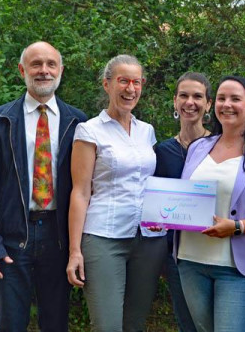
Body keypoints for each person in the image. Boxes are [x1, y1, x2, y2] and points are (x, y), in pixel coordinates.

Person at [0, 41, 87, 331]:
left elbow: (87, 187)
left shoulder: (79, 122)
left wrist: (79, 245)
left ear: (61, 70)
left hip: (59, 238)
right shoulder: (0, 120)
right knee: (11, 326)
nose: (44, 71)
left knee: (55, 326)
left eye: (51, 64)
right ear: (22, 70)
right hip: (13, 239)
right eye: (36, 64)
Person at [176, 75, 245, 332]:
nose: (227, 104)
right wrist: (162, 219)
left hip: (237, 267)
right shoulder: (198, 148)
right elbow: (184, 199)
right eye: (221, 98)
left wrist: (237, 227)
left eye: (235, 99)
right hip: (190, 260)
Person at [66, 54, 167, 332]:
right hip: (104, 238)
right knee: (107, 327)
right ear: (107, 84)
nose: (130, 89)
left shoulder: (147, 131)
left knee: (135, 326)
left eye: (136, 82)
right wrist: (75, 251)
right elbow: (80, 192)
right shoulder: (89, 131)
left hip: (147, 241)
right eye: (123, 81)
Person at [154, 72, 213, 332]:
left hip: (215, 248)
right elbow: (156, 204)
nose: (190, 102)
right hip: (177, 255)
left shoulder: (220, 146)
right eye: (184, 96)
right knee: (188, 325)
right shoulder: (162, 151)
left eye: (198, 96)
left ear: (208, 104)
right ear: (175, 102)